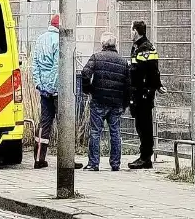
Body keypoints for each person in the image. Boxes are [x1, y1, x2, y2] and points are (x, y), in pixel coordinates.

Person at [30, 14, 83, 170]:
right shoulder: (59, 41)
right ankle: (67, 160)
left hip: (43, 89)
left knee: (44, 123)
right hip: (57, 90)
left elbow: (35, 64)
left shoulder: (40, 40)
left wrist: (40, 84)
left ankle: (39, 159)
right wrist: (53, 88)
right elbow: (56, 67)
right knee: (64, 123)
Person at [80, 32, 131, 171]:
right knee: (115, 132)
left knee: (95, 132)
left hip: (99, 100)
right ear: (115, 44)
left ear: (102, 44)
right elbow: (128, 85)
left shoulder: (96, 57)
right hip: (116, 103)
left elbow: (85, 73)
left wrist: (88, 89)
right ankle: (115, 164)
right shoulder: (123, 61)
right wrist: (125, 103)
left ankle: (93, 164)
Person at [128, 20, 162, 169]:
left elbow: (151, 70)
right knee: (140, 124)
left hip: (144, 93)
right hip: (138, 92)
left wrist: (155, 86)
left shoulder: (145, 48)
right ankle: (144, 156)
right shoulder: (138, 47)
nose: (130, 33)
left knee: (145, 125)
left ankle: (145, 157)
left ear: (135, 31)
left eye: (131, 30)